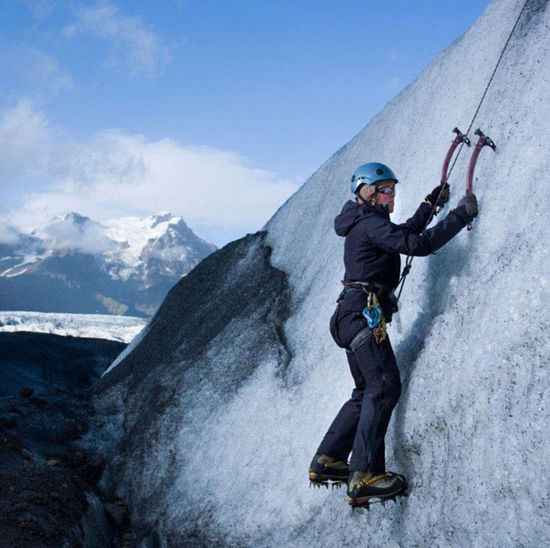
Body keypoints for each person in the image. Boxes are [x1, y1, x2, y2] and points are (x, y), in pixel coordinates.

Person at [308, 162, 478, 507]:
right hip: (362, 316)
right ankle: (366, 473)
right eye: (385, 190)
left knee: (365, 390)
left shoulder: (364, 223)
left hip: (350, 316)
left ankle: (329, 459)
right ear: (366, 193)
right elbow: (417, 243)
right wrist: (460, 216)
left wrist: (431, 204)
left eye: (393, 191)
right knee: (384, 387)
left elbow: (403, 233)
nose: (391, 196)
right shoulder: (370, 223)